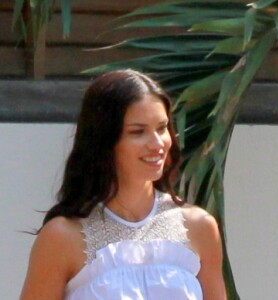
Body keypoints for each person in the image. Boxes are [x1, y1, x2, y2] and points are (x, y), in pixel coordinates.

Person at [20, 69, 226, 300]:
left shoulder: (200, 227)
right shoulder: (62, 237)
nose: (157, 143)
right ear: (103, 140)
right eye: (138, 132)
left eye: (162, 128)